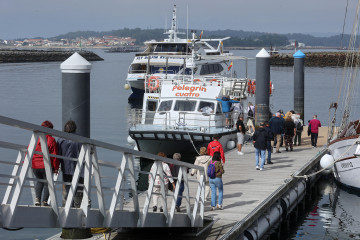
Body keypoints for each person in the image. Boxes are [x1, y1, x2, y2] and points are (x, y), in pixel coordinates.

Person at [32, 120, 59, 206]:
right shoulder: (51, 139)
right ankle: (44, 201)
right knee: (47, 183)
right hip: (45, 165)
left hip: (35, 165)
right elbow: (55, 155)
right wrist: (56, 168)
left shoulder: (36, 138)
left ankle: (37, 199)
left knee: (39, 181)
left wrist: (25, 161)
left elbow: (29, 150)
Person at [57, 120, 83, 207]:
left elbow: (58, 153)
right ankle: (78, 206)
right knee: (79, 188)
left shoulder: (61, 139)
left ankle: (69, 206)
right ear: (75, 128)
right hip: (79, 167)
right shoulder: (80, 139)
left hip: (66, 167)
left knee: (68, 187)